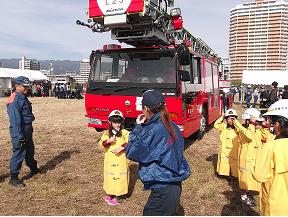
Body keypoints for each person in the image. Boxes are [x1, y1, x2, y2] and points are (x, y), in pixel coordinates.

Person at [125, 90, 191, 215]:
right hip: (173, 184)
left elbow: (131, 151)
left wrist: (138, 128)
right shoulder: (172, 126)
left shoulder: (153, 130)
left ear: (146, 108)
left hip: (163, 188)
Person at [253, 99, 288, 215]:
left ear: (277, 124)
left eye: (269, 120)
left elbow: (259, 175)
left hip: (275, 205)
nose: (268, 123)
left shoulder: (271, 146)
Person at [6, 76, 39, 187]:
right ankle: (14, 178)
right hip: (19, 130)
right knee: (19, 152)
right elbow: (15, 121)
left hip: (27, 129)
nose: (27, 88)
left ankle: (34, 168)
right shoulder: (14, 100)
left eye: (28, 86)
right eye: (24, 86)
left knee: (30, 150)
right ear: (17, 86)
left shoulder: (23, 97)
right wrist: (19, 136)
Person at [98, 110, 129, 206]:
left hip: (121, 160)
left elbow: (130, 142)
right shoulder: (107, 133)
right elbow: (101, 144)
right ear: (110, 122)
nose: (117, 125)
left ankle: (116, 196)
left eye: (119, 122)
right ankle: (110, 194)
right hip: (110, 160)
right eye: (115, 122)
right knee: (109, 177)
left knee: (120, 178)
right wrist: (108, 141)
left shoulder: (124, 132)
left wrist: (122, 147)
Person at [214, 109, 240, 178]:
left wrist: (236, 123)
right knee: (224, 161)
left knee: (234, 162)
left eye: (232, 119)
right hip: (225, 149)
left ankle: (234, 174)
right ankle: (223, 173)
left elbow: (242, 130)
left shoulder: (238, 128)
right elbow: (216, 125)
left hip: (234, 150)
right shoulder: (223, 127)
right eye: (228, 118)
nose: (230, 120)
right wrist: (222, 117)